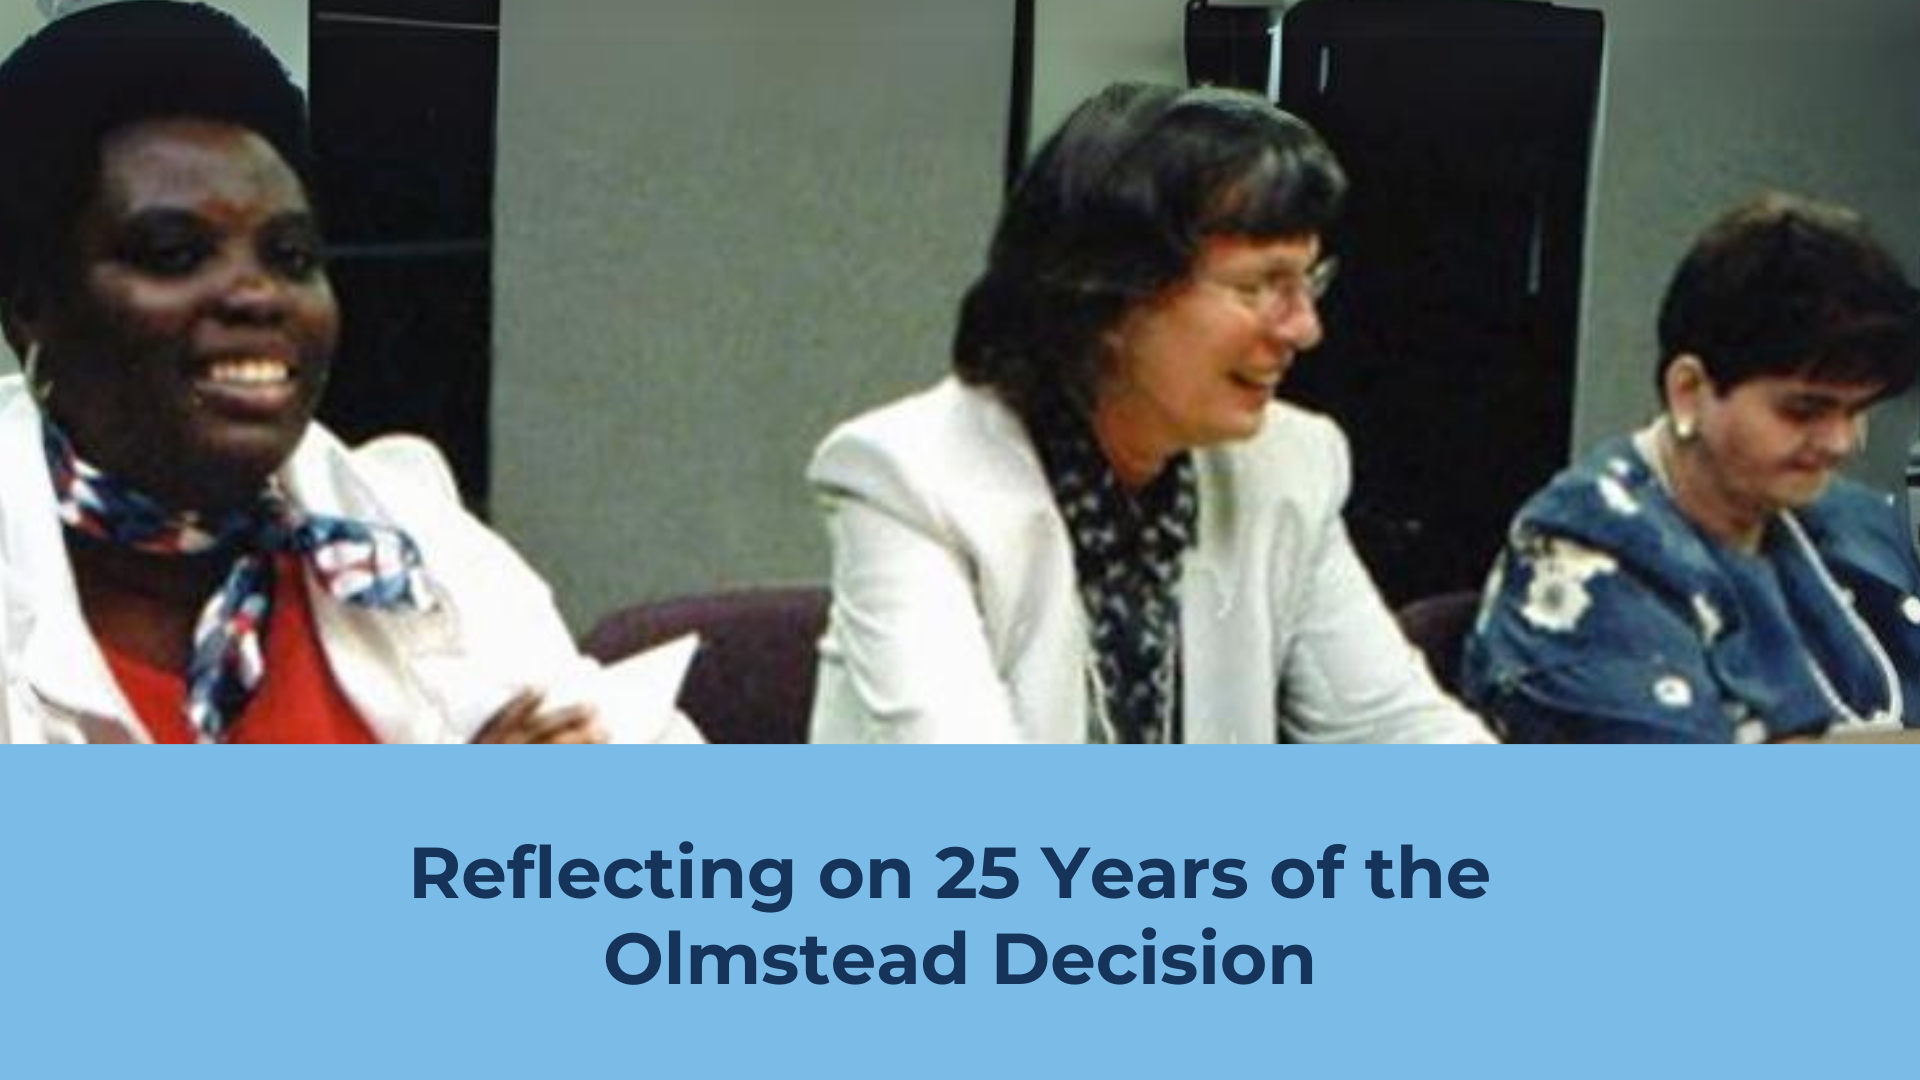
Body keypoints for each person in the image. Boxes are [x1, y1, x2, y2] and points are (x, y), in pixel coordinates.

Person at [0, 2, 699, 744]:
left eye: (293, 257)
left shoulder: (398, 533)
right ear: (30, 308)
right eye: (176, 254)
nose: (259, 294)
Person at [806, 82, 1491, 743]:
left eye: (1308, 280)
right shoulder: (911, 480)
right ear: (1107, 298)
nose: (1304, 328)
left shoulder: (1289, 465)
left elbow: (1399, 731)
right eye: (1259, 285)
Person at [1462, 193, 1920, 743]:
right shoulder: (1581, 554)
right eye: (1803, 411)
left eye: (1857, 410)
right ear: (1688, 390)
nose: (1841, 442)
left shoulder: (1851, 520)